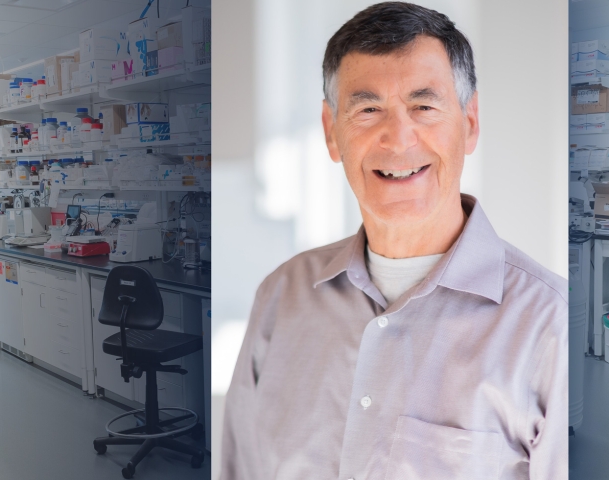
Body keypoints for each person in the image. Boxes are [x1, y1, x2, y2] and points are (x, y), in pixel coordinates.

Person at [220, 2, 568, 479]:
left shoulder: (551, 326)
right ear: (331, 132)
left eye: (424, 106)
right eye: (368, 109)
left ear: (469, 123)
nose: (397, 138)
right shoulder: (280, 297)